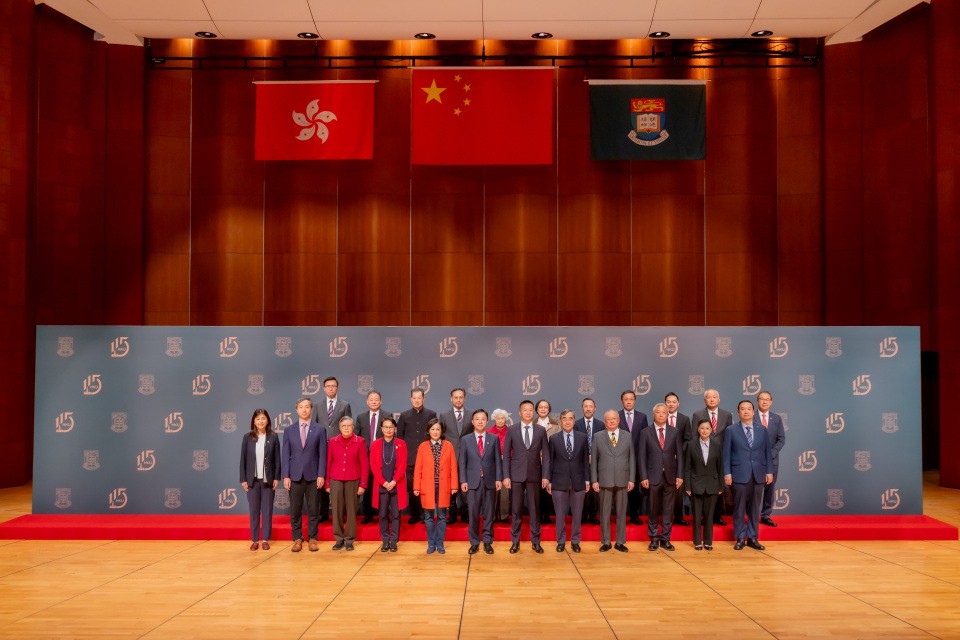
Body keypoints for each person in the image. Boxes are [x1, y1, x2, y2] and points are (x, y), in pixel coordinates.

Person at [724, 400, 773, 551]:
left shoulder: (762, 429)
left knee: (754, 508)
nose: (746, 411)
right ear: (738, 412)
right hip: (739, 473)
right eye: (743, 409)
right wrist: (727, 472)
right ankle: (740, 537)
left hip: (758, 474)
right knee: (739, 507)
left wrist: (769, 471)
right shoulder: (731, 430)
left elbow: (767, 452)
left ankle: (752, 537)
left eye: (749, 409)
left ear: (753, 411)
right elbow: (726, 453)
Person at [503, 400, 550, 554]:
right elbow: (506, 455)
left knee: (535, 510)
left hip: (535, 475)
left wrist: (545, 475)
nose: (528, 412)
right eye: (525, 410)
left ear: (533, 412)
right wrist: (506, 476)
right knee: (516, 510)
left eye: (530, 410)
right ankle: (515, 542)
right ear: (519, 412)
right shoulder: (512, 430)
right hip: (516, 475)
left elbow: (546, 455)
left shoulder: (540, 430)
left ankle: (536, 542)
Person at [282, 397, 326, 552]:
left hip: (314, 476)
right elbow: (285, 454)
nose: (304, 409)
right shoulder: (289, 430)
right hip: (294, 476)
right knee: (295, 510)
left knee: (314, 509)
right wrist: (286, 476)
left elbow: (323, 454)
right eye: (301, 407)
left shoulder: (320, 429)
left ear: (311, 409)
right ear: (297, 410)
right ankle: (297, 538)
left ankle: (313, 538)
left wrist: (321, 474)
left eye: (307, 406)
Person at [638, 403, 683, 551]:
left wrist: (680, 475)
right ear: (653, 414)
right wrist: (643, 476)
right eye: (658, 412)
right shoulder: (645, 432)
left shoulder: (675, 432)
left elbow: (680, 455)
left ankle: (665, 538)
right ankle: (653, 538)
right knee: (653, 509)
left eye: (664, 412)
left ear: (668, 414)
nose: (661, 414)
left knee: (668, 510)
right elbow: (641, 457)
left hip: (670, 476)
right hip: (652, 477)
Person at [458, 409, 502, 555]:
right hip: (472, 482)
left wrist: (498, 478)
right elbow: (462, 462)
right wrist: (463, 480)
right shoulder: (466, 439)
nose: (480, 421)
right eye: (477, 419)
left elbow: (498, 461)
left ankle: (488, 542)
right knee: (473, 514)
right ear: (472, 421)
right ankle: (474, 542)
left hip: (490, 481)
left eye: (483, 419)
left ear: (487, 421)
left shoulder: (494, 439)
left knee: (489, 514)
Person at [591, 409, 635, 552]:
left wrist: (632, 479)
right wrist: (594, 480)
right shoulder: (598, 436)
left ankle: (620, 542)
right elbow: (594, 460)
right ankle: (606, 541)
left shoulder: (627, 436)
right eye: (608, 419)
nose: (611, 421)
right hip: (604, 479)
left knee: (622, 512)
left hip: (623, 478)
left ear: (619, 420)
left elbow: (632, 458)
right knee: (604, 512)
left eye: (614, 418)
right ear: (605, 422)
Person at [413, 418, 459, 554]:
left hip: (443, 486)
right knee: (428, 517)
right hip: (427, 486)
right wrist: (416, 487)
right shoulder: (423, 446)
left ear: (442, 431)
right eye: (432, 429)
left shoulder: (448, 445)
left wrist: (454, 486)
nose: (435, 432)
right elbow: (418, 468)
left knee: (442, 517)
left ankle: (440, 543)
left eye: (438, 429)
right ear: (428, 430)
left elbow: (453, 467)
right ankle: (431, 544)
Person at [547, 410, 589, 552]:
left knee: (577, 514)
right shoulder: (554, 439)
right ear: (560, 421)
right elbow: (550, 461)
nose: (567, 421)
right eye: (564, 419)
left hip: (579, 481)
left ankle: (575, 541)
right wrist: (549, 481)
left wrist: (587, 480)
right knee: (559, 514)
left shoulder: (582, 437)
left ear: (574, 420)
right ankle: (561, 541)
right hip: (558, 481)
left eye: (570, 418)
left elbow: (585, 461)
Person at [239, 408, 281, 551]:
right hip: (252, 480)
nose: (261, 421)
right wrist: (243, 479)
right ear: (254, 421)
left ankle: (265, 540)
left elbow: (277, 459)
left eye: (263, 418)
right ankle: (255, 540)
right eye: (258, 419)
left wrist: (277, 477)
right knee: (254, 511)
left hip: (268, 480)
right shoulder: (247, 437)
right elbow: (243, 459)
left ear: (267, 420)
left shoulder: (273, 437)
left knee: (267, 511)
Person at [326, 416, 368, 551]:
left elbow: (364, 465)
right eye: (343, 426)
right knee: (336, 510)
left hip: (353, 480)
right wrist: (327, 483)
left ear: (353, 427)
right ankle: (338, 539)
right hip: (335, 480)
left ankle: (349, 539)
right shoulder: (332, 442)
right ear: (339, 428)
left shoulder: (360, 441)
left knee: (351, 511)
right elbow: (328, 463)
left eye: (349, 426)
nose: (346, 428)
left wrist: (363, 484)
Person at [692, 389, 733, 526]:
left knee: (719, 486)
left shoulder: (727, 415)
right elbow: (694, 436)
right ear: (705, 400)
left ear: (718, 399)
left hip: (720, 456)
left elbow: (729, 436)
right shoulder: (698, 414)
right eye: (709, 397)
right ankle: (705, 516)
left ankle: (717, 515)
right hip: (703, 457)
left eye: (714, 397)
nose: (711, 399)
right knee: (705, 488)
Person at [397, 388, 437, 524]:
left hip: (427, 457)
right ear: (411, 399)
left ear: (423, 398)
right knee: (412, 488)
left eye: (419, 398)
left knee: (427, 488)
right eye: (414, 398)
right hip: (410, 458)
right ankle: (414, 514)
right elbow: (400, 438)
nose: (417, 400)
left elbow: (434, 435)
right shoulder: (404, 416)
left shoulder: (431, 414)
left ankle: (425, 515)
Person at [315, 376, 351, 523]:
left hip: (340, 447)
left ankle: (342, 514)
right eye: (328, 386)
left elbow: (348, 426)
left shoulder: (345, 405)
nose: (331, 388)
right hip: (321, 447)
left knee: (340, 479)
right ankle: (323, 513)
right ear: (324, 388)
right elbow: (314, 427)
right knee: (322, 478)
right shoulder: (317, 406)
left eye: (333, 386)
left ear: (337, 388)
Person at [684, 419, 724, 550]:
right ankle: (697, 542)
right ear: (698, 429)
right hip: (696, 485)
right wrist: (687, 486)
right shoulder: (691, 445)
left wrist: (720, 486)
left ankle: (708, 542)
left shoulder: (717, 445)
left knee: (709, 516)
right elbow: (687, 467)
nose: (704, 431)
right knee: (696, 516)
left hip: (712, 485)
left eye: (707, 428)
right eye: (702, 428)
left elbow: (720, 467)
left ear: (711, 430)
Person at [370, 417, 407, 552]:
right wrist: (384, 482)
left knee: (396, 515)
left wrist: (394, 481)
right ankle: (385, 540)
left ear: (395, 428)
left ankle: (394, 541)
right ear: (381, 429)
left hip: (397, 485)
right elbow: (373, 465)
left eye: (391, 427)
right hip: (382, 486)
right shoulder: (376, 444)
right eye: (385, 427)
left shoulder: (401, 444)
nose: (388, 429)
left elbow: (403, 464)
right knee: (383, 514)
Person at [755, 390, 786, 527]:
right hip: (755, 460)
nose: (764, 401)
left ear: (771, 402)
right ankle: (752, 515)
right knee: (755, 489)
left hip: (772, 460)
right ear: (757, 401)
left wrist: (771, 454)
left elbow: (781, 439)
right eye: (762, 399)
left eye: (767, 399)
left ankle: (766, 515)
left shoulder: (777, 418)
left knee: (769, 488)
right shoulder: (751, 416)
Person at [617, 390, 648, 525]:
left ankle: (634, 515)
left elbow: (645, 438)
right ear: (622, 401)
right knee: (620, 489)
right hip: (620, 459)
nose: (628, 401)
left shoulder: (642, 417)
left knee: (635, 490)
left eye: (631, 399)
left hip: (636, 459)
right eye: (626, 399)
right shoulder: (616, 416)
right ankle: (621, 516)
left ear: (635, 401)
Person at [357, 389, 388, 524]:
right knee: (367, 485)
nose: (374, 402)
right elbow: (357, 437)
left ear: (380, 401)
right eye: (371, 400)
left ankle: (384, 514)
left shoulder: (387, 415)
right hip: (366, 456)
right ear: (367, 402)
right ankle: (368, 514)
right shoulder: (361, 417)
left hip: (383, 456)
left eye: (376, 399)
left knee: (384, 485)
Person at [438, 388, 467, 524]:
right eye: (456, 397)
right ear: (451, 399)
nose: (458, 400)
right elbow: (440, 436)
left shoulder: (471, 414)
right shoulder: (444, 416)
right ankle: (452, 515)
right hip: (449, 456)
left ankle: (466, 514)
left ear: (464, 398)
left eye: (461, 397)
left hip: (467, 457)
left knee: (466, 489)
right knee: (450, 488)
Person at [665, 392, 692, 526]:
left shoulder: (684, 419)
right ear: (665, 403)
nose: (671, 404)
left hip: (680, 461)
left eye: (674, 402)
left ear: (678, 403)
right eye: (668, 402)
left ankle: (679, 517)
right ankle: (666, 517)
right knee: (665, 490)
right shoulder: (660, 417)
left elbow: (688, 439)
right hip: (664, 460)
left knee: (679, 491)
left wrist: (679, 452)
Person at [574, 398, 601, 524]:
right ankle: (583, 516)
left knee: (595, 491)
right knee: (582, 490)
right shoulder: (576, 424)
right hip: (580, 463)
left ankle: (594, 516)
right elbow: (574, 444)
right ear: (582, 408)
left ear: (595, 408)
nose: (588, 409)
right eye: (586, 406)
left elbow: (602, 444)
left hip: (597, 463)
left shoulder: (601, 425)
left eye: (591, 406)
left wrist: (593, 456)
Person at [534, 398, 558, 524]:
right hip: (535, 462)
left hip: (551, 461)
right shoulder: (532, 424)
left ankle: (547, 515)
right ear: (536, 410)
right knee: (537, 490)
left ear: (549, 410)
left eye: (546, 407)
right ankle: (537, 515)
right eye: (541, 407)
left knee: (548, 489)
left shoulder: (556, 425)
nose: (543, 409)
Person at [487, 408, 511, 522]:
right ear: (494, 419)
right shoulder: (489, 432)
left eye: (502, 418)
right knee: (493, 490)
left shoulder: (510, 431)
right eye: (498, 418)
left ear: (506, 419)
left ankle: (504, 515)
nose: (500, 420)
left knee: (505, 492)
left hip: (506, 463)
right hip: (492, 464)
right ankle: (492, 515)